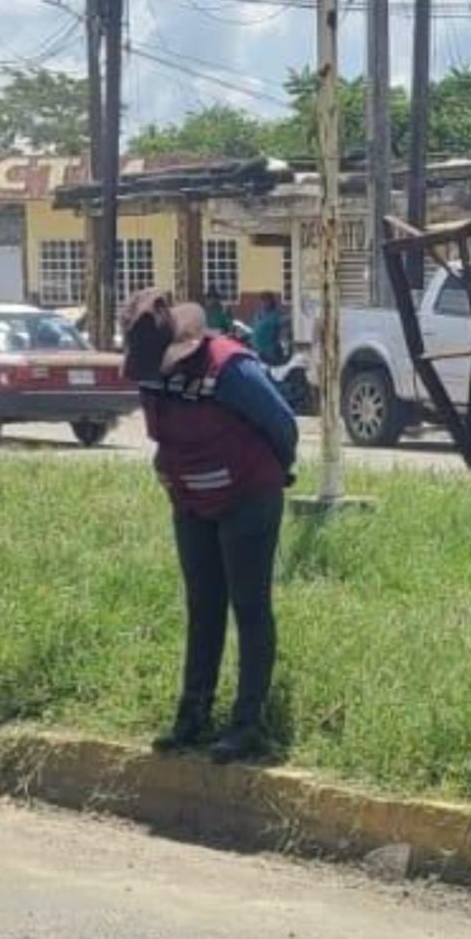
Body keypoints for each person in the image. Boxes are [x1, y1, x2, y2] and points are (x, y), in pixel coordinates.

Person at [122, 289, 298, 763]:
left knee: (249, 606)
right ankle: (193, 716)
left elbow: (283, 425)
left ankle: (248, 725)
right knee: (203, 606)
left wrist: (270, 475)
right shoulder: (148, 372)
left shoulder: (229, 368)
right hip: (190, 501)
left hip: (248, 498)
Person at [246, 292, 291, 365]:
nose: (264, 303)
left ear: (271, 301)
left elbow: (285, 321)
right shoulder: (258, 314)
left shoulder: (276, 314)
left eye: (267, 300)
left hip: (270, 351)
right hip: (257, 350)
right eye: (263, 300)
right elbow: (254, 330)